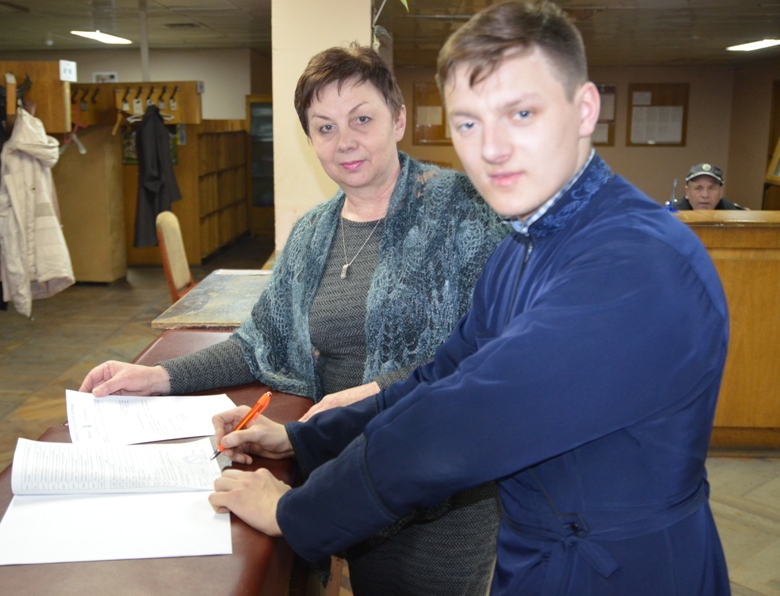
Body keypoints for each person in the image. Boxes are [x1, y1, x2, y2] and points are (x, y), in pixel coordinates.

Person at [209, 2, 732, 595]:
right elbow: (439, 379)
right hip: (538, 556)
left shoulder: (636, 260)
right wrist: (303, 439)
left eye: (521, 113)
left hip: (626, 570)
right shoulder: (524, 245)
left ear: (584, 108)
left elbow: (460, 424)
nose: (492, 148)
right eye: (468, 123)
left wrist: (294, 512)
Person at [81, 45, 508, 595]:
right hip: (342, 471)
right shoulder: (312, 233)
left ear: (398, 119)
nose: (344, 140)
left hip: (437, 494)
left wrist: (371, 394)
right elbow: (262, 342)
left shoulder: (465, 211)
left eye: (362, 119)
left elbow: (490, 354)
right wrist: (158, 376)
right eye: (325, 127)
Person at [674, 163, 746, 210]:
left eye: (711, 188)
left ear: (720, 192)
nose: (705, 195)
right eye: (698, 188)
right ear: (687, 192)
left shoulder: (736, 215)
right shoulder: (671, 217)